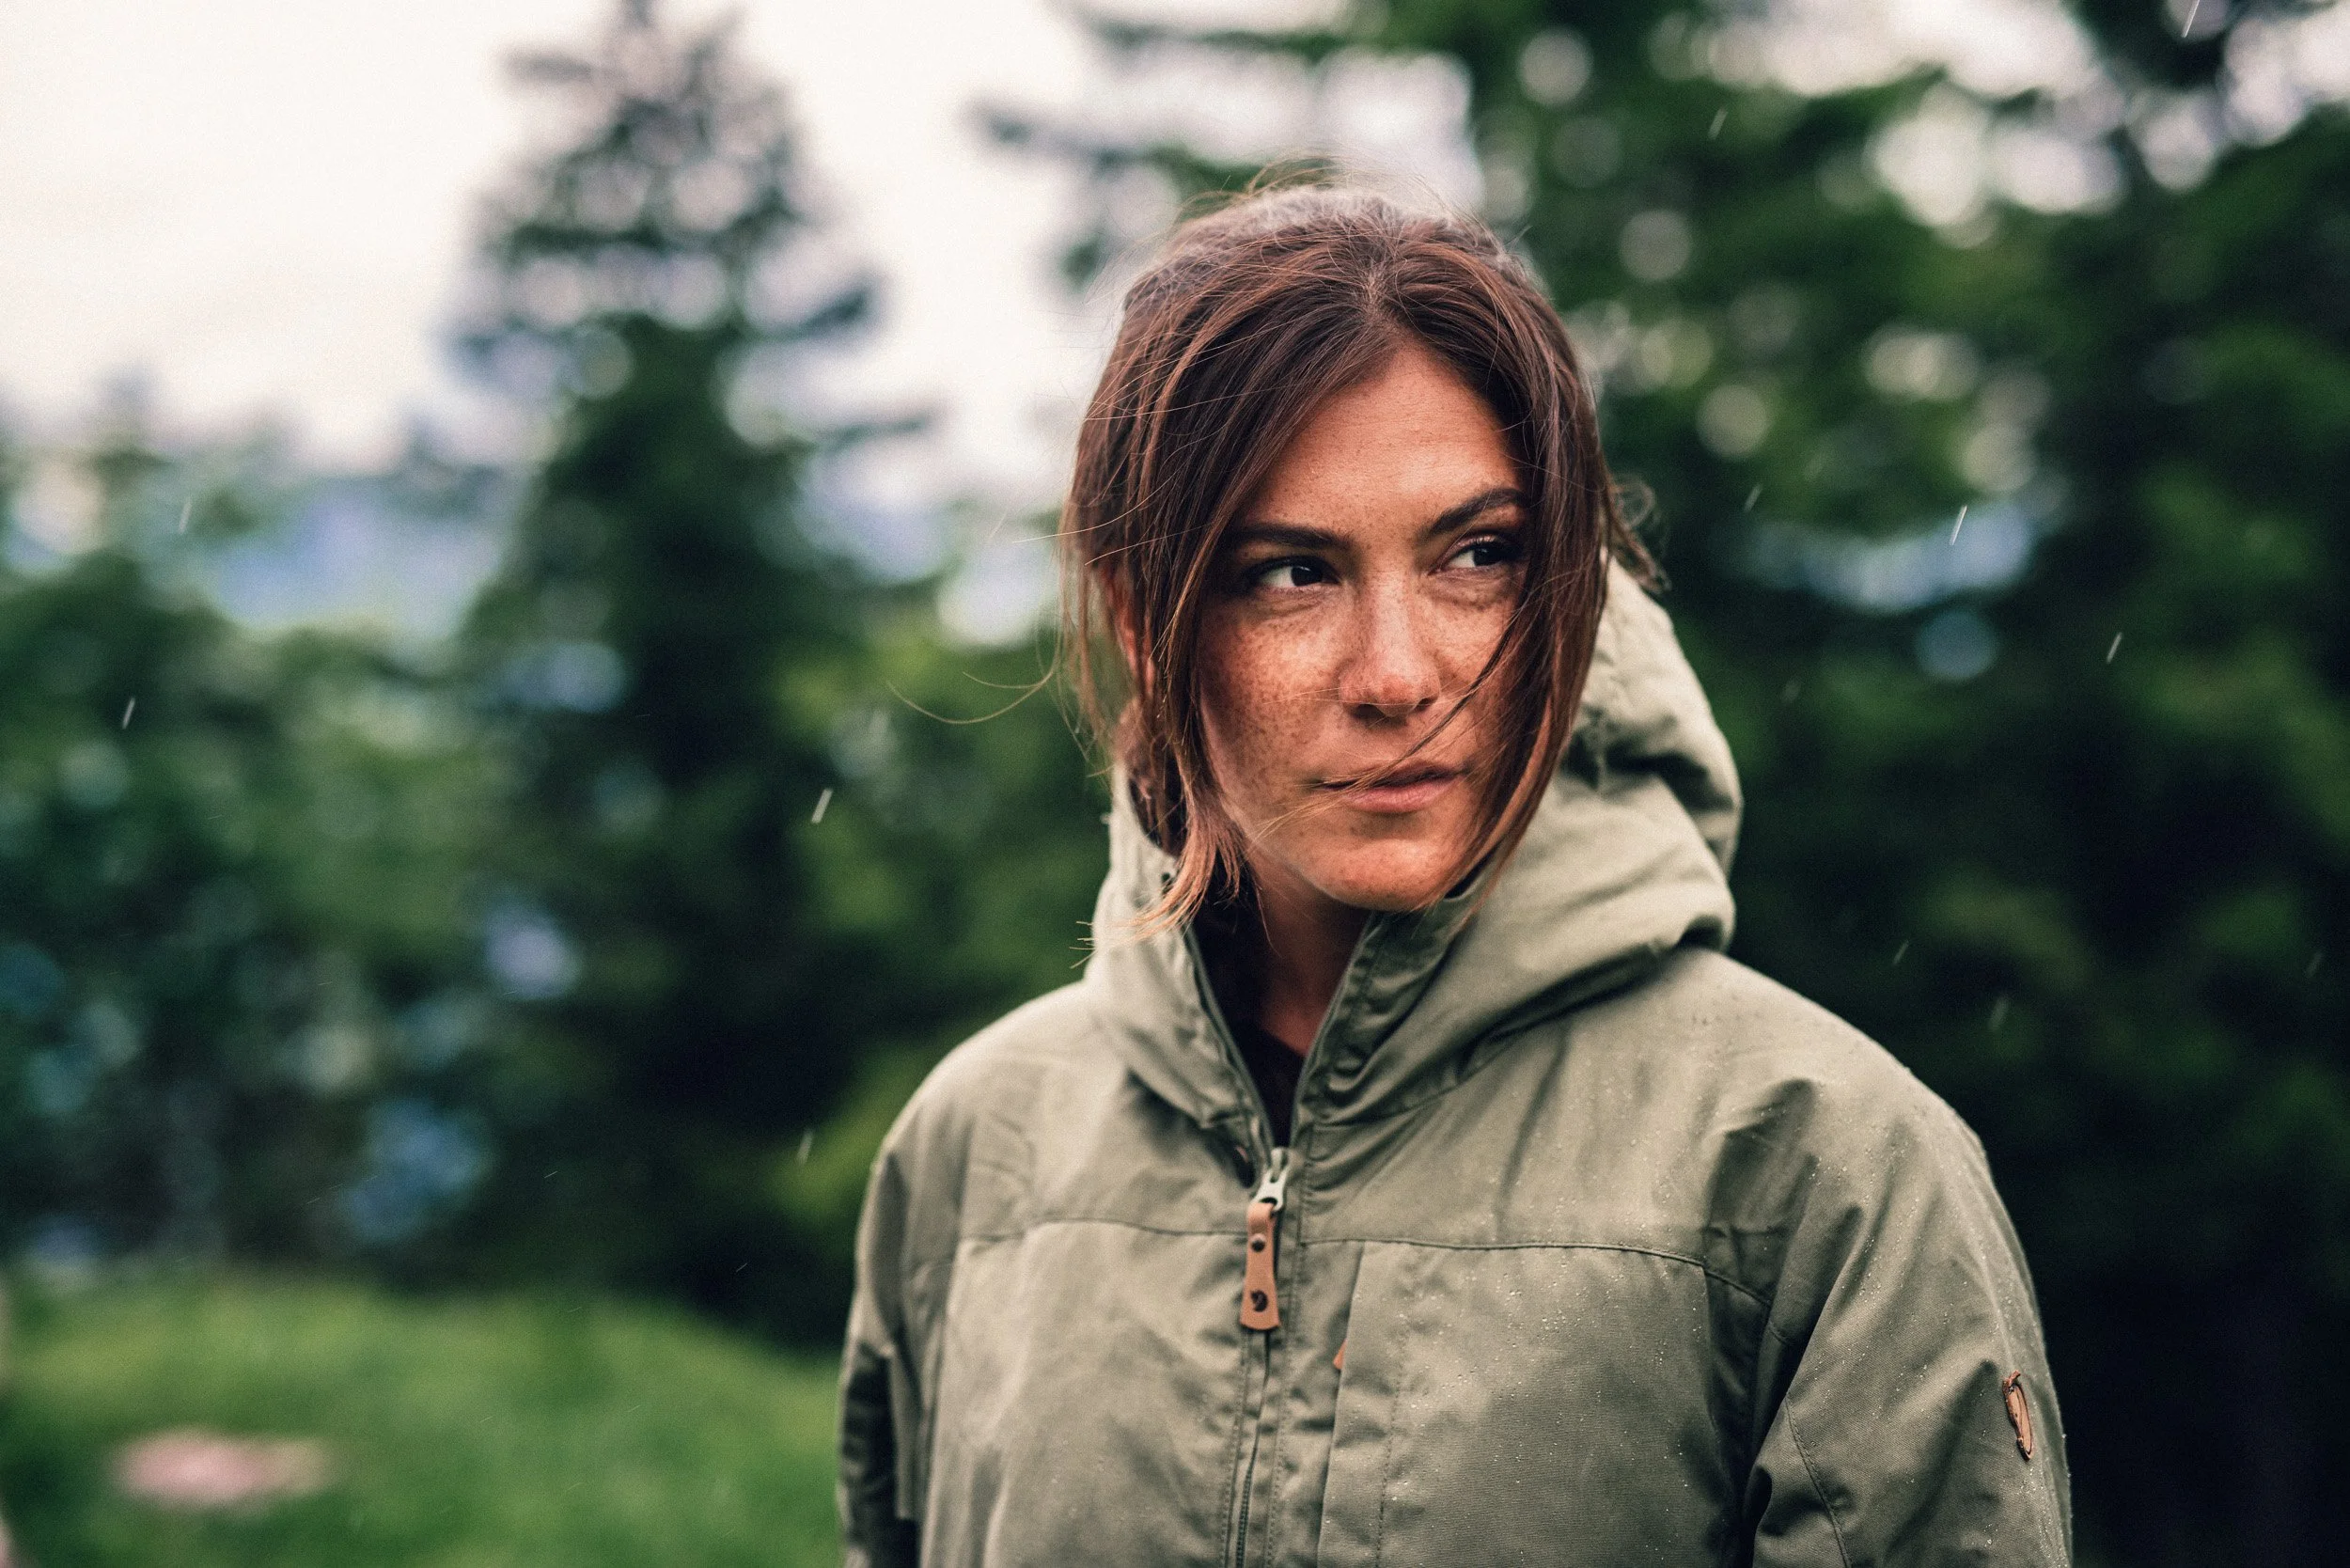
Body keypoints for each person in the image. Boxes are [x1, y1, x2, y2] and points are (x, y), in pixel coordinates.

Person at [838, 184, 2071, 1567]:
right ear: (1145, 621)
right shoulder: (974, 1153)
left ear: (1568, 591)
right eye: (1292, 574)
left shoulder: (1825, 1168)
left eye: (1478, 556)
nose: (1398, 676)